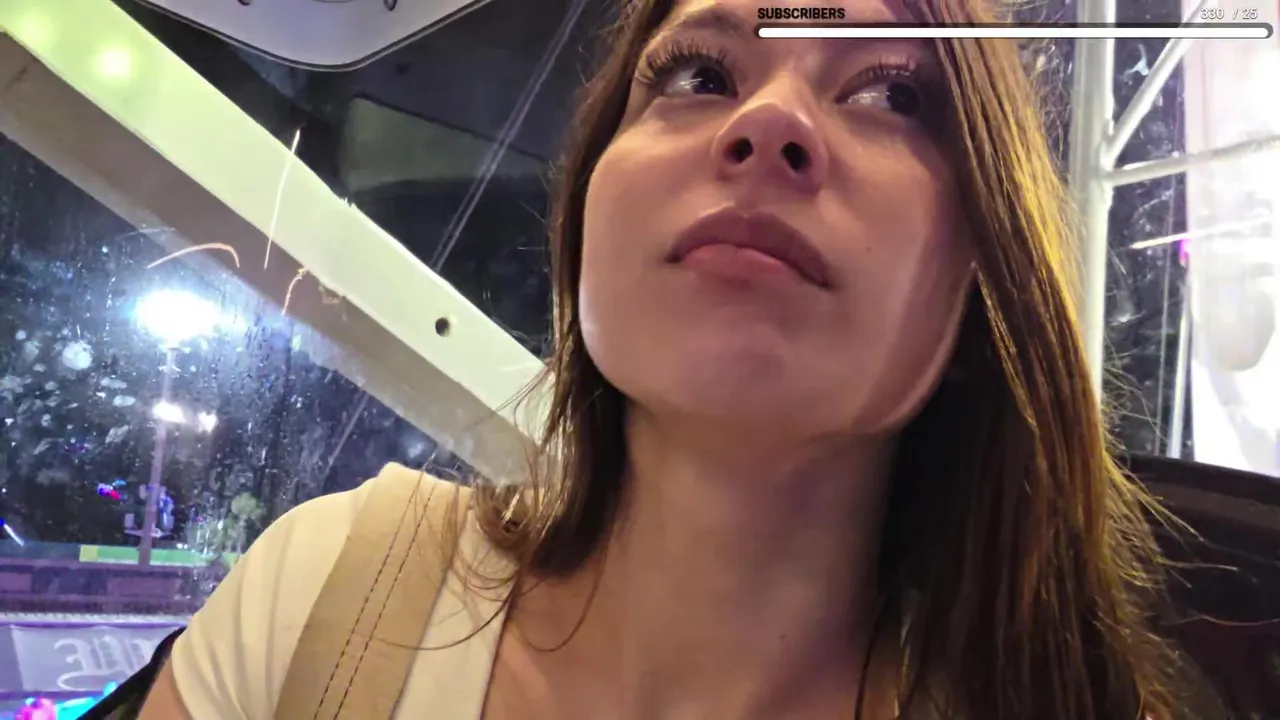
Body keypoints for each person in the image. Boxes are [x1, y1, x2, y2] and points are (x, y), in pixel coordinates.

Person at [138, 0, 1212, 717]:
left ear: (981, 294)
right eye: (699, 72)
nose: (769, 121)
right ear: (584, 217)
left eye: (890, 93)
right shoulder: (324, 594)